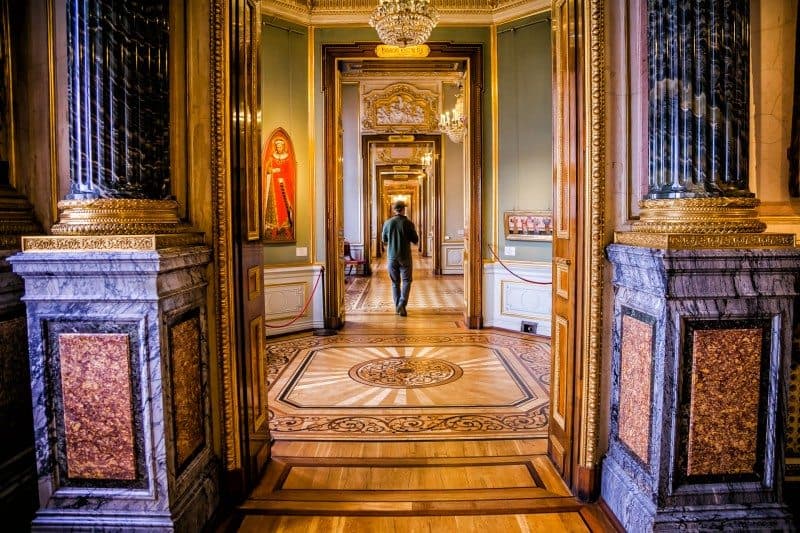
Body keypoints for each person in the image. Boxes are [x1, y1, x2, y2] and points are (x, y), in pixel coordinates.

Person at [381, 200, 419, 317]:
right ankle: (402, 304)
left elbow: (384, 240)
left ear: (394, 210)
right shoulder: (408, 223)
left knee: (395, 283)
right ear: (403, 209)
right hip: (405, 257)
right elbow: (415, 240)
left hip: (392, 257)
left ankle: (398, 306)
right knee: (407, 281)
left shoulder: (387, 223)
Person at [263, 136, 295, 241]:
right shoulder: (272, 157)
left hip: (284, 187)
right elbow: (267, 169)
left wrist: (284, 179)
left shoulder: (287, 158)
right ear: (275, 147)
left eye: (280, 146)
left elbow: (290, 173)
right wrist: (273, 170)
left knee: (284, 206)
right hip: (274, 187)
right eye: (277, 146)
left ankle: (285, 228)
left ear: (283, 147)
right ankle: (274, 229)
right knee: (274, 206)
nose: (279, 148)